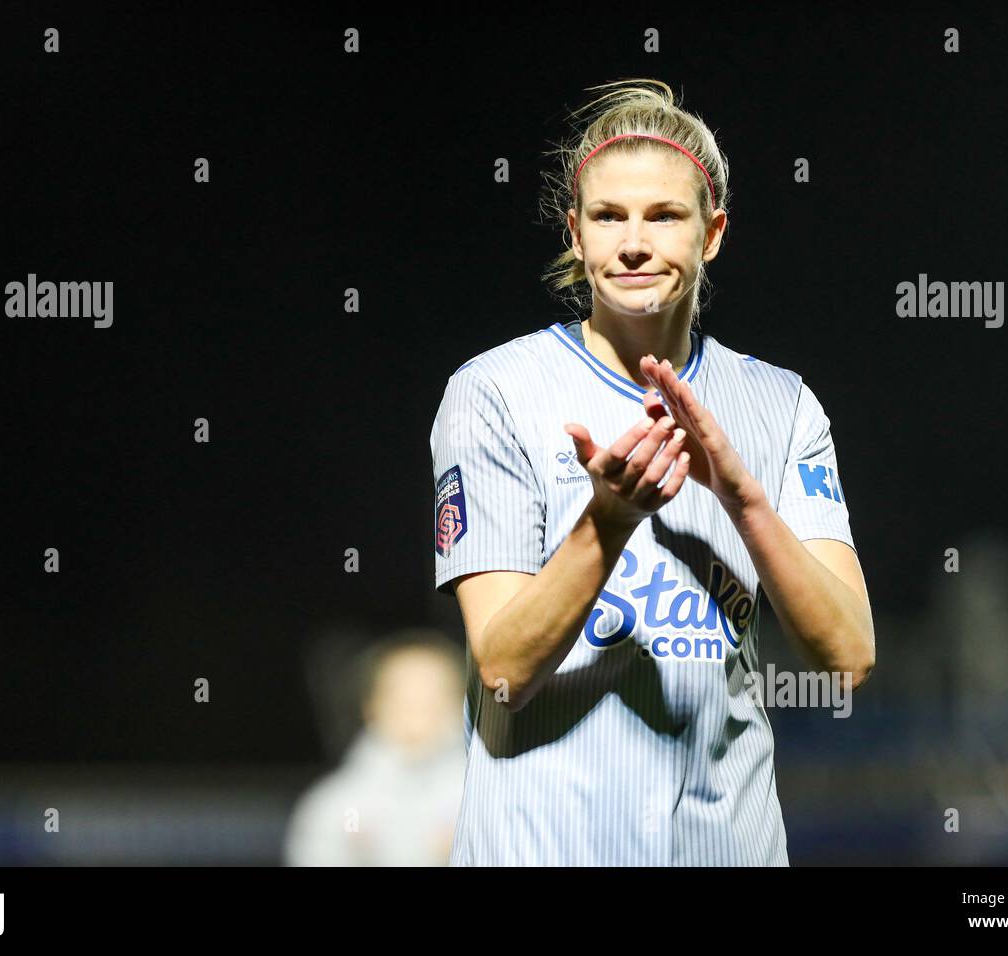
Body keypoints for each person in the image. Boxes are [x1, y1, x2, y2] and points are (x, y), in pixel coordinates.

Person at [429, 78, 875, 865]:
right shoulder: (494, 390)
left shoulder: (781, 402)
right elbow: (501, 668)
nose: (633, 242)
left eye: (664, 215)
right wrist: (608, 519)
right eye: (607, 217)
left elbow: (846, 659)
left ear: (712, 234)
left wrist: (742, 498)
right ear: (575, 233)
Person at [283, 629, 465, 866]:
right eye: (403, 695)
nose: (418, 708)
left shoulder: (486, 801)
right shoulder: (334, 805)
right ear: (371, 705)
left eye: (435, 695)